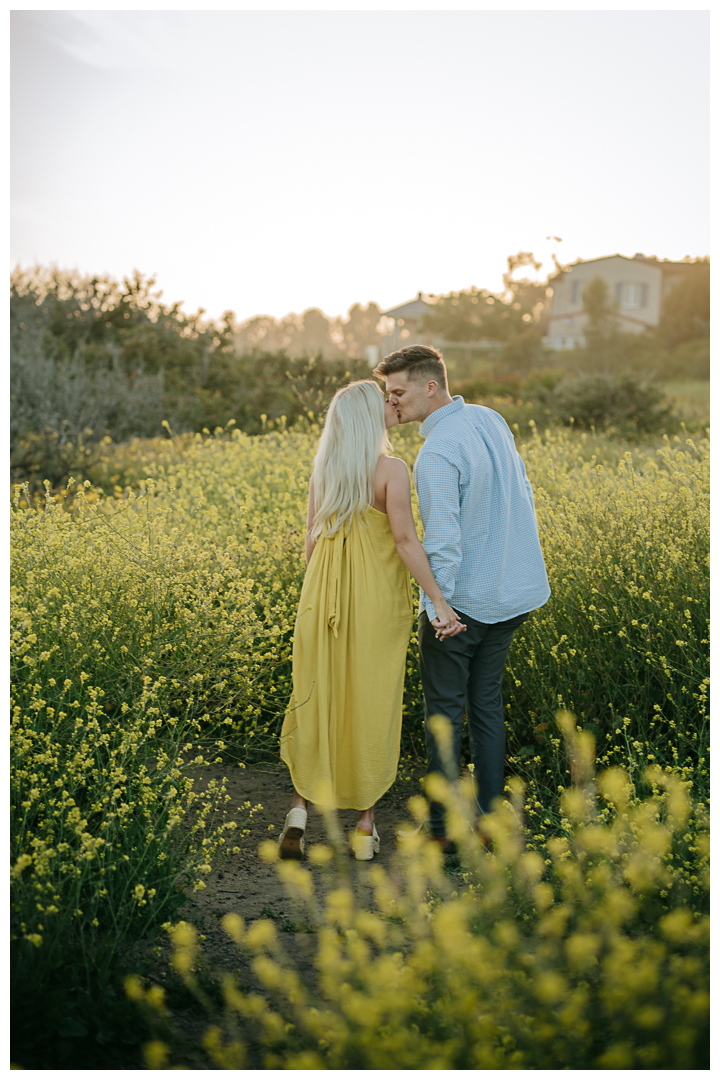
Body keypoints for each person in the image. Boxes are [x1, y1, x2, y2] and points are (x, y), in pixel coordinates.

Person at [277, 379, 465, 861]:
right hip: (375, 602)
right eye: (384, 401)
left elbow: (312, 545)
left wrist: (319, 597)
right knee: (372, 701)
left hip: (321, 597)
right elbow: (404, 542)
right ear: (367, 415)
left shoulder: (324, 469)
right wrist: (438, 600)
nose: (392, 404)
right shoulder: (391, 470)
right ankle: (364, 828)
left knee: (316, 694)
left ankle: (299, 811)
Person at [374, 345, 550, 853]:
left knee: (445, 716)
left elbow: (443, 544)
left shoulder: (436, 452)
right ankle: (494, 825)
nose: (395, 403)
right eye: (391, 395)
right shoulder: (491, 419)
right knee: (487, 707)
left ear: (431, 386)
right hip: (513, 593)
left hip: (464, 604)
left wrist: (438, 609)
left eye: (400, 392)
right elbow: (522, 493)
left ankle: (442, 833)